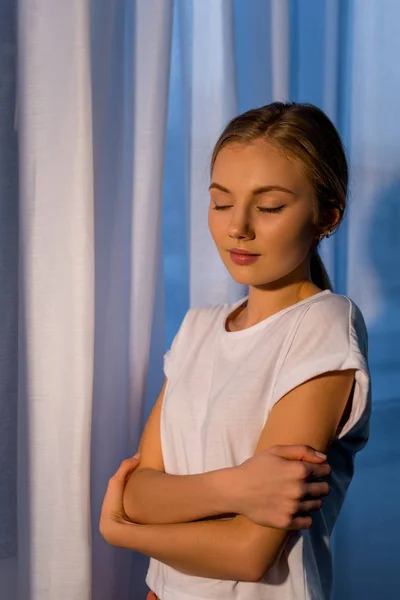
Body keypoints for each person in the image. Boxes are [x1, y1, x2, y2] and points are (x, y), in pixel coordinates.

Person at [99, 102, 371, 600]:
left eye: (268, 207)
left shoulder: (324, 325)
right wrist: (240, 487)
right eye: (221, 202)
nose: (237, 227)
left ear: (326, 217)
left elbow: (248, 554)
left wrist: (122, 533)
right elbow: (137, 492)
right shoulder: (197, 328)